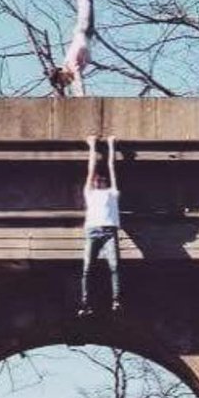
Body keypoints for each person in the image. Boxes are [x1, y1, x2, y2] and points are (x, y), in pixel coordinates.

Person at [78, 135, 122, 317]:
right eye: (97, 181)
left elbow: (112, 168)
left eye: (100, 181)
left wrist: (111, 145)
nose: (98, 182)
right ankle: (85, 303)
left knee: (115, 266)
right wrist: (92, 146)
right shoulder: (89, 193)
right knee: (87, 268)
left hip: (109, 232)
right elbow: (90, 170)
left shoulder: (113, 193)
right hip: (93, 231)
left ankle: (117, 300)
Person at [50, 0, 102, 96]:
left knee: (86, 3)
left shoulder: (70, 65)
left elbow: (78, 80)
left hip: (83, 31)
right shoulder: (68, 65)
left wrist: (81, 97)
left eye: (64, 82)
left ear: (61, 74)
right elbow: (76, 80)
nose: (67, 83)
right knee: (85, 2)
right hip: (85, 33)